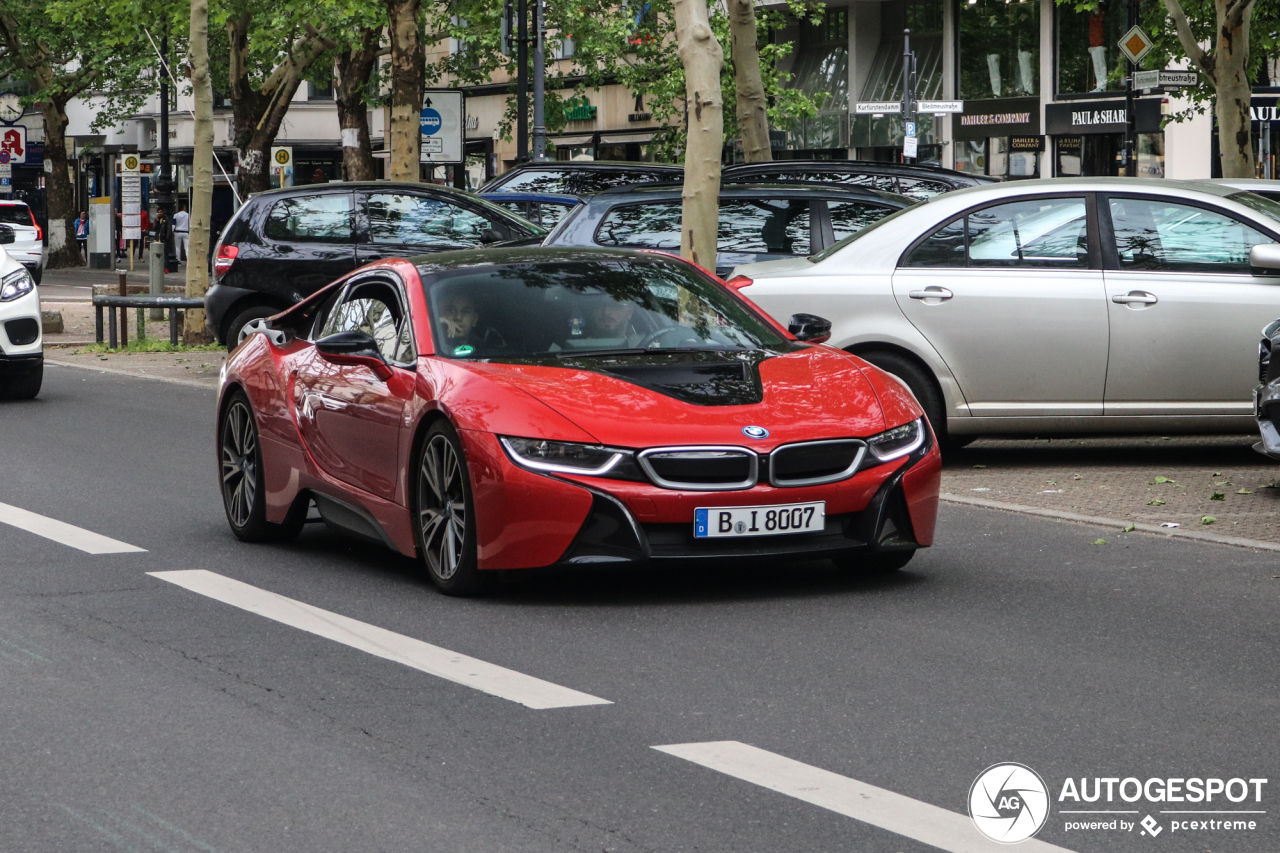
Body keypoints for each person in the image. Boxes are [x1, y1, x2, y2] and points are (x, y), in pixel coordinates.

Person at [436, 291, 502, 354]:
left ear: (474, 319)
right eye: (450, 311)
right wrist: (434, 325)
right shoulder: (431, 349)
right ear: (440, 316)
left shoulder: (486, 353)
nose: (458, 317)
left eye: (465, 312)